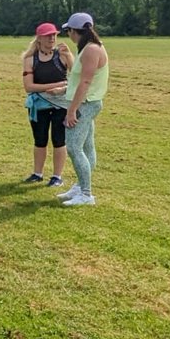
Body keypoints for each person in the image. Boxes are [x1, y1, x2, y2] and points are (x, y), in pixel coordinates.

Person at [56, 13, 109, 207]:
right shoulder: (91, 47)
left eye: (68, 30)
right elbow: (82, 79)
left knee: (74, 147)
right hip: (88, 102)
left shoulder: (91, 50)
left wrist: (72, 111)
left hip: (85, 104)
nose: (68, 34)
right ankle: (81, 186)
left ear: (73, 31)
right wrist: (64, 89)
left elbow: (86, 82)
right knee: (87, 146)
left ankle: (86, 193)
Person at [21, 22, 72, 186]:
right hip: (39, 106)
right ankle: (37, 173)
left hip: (61, 106)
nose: (52, 38)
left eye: (54, 35)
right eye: (48, 35)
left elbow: (77, 77)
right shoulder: (30, 59)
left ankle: (57, 176)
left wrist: (70, 56)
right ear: (39, 38)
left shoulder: (63, 55)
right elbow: (29, 86)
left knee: (59, 140)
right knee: (40, 140)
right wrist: (57, 86)